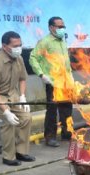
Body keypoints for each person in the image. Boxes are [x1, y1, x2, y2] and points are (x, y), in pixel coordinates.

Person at [0, 31, 35, 166]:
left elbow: (22, 79)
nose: (19, 48)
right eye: (15, 46)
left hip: (12, 94)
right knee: (9, 121)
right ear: (4, 46)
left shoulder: (19, 59)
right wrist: (6, 111)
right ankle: (8, 157)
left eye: (20, 45)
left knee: (26, 118)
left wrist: (22, 96)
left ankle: (21, 151)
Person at [29, 16, 73, 147]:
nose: (62, 29)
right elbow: (33, 58)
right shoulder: (45, 42)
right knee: (52, 110)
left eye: (63, 26)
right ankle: (50, 137)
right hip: (53, 83)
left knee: (67, 109)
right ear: (51, 27)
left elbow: (66, 62)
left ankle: (67, 133)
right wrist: (42, 75)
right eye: (59, 26)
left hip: (66, 82)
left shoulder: (63, 40)